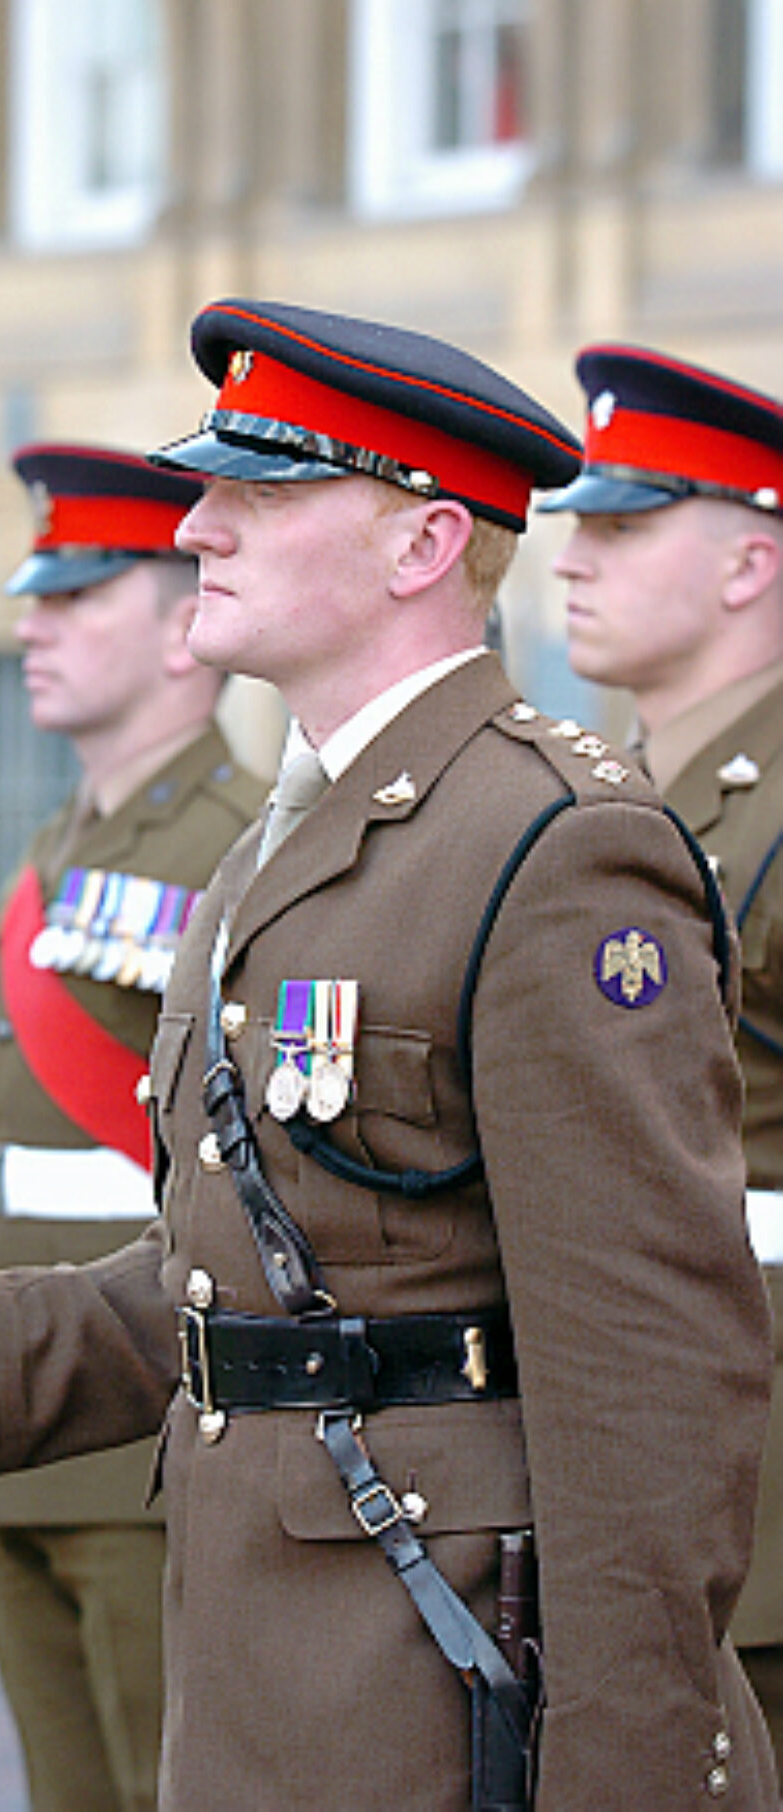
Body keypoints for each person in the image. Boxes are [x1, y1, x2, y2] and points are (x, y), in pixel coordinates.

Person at [0, 301, 778, 1809]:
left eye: (259, 494)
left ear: (419, 547)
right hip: (271, 1674)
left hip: (441, 1693)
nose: (195, 527)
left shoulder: (555, 847)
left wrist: (629, 1778)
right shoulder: (291, 842)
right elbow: (239, 1292)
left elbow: (649, 1379)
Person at [0, 442, 266, 1812]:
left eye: (77, 595)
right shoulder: (51, 849)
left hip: (144, 1422)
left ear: (189, 621)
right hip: (10, 1405)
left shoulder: (244, 849)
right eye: (34, 593)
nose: (31, 622)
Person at [543, 342, 783, 1775]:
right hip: (626, 1440)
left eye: (625, 527)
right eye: (575, 523)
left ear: (752, 564)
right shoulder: (603, 792)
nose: (574, 559)